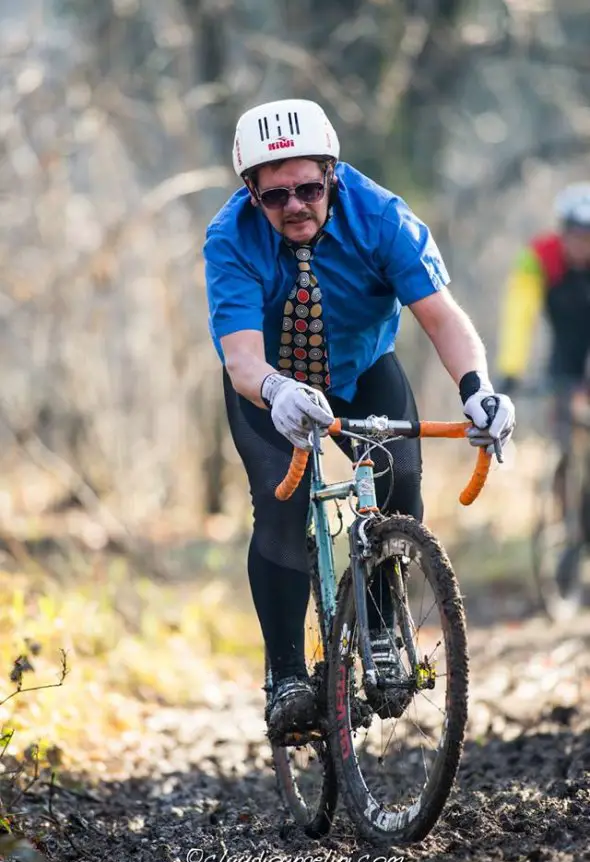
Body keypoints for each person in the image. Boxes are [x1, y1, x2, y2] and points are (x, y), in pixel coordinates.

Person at [203, 98, 515, 739]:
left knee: (399, 478)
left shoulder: (381, 218)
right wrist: (274, 388)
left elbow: (441, 316)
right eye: (275, 196)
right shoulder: (230, 238)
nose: (294, 206)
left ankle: (378, 621)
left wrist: (478, 389)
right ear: (251, 194)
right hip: (271, 388)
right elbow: (239, 358)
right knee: (282, 506)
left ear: (333, 175)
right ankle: (287, 677)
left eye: (309, 188)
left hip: (361, 372)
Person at [496, 182, 590, 414]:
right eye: (575, 236)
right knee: (561, 403)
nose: (581, 245)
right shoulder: (539, 257)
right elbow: (519, 315)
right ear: (563, 232)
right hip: (564, 341)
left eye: (587, 238)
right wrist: (511, 370)